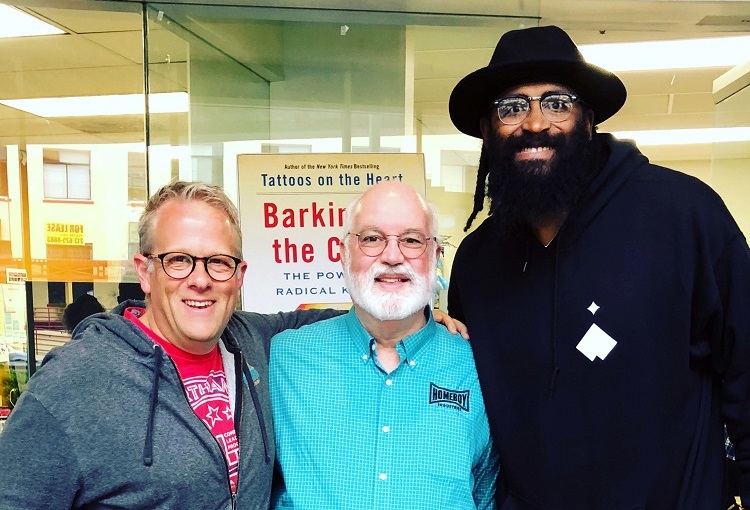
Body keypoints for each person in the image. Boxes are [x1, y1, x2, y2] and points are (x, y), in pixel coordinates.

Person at [0, 181, 465, 510]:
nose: (200, 280)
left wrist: (418, 311)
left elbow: (363, 312)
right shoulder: (72, 386)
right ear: (144, 271)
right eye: (178, 260)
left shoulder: (255, 344)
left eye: (219, 263)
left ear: (239, 277)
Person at [447, 25, 750, 509]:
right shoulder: (478, 261)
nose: (534, 123)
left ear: (588, 120)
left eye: (557, 103)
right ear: (487, 130)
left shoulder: (684, 215)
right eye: (511, 107)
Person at [270, 181, 499, 509]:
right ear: (343, 253)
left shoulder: (478, 369)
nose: (393, 256)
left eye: (411, 240)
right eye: (372, 239)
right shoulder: (284, 358)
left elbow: (488, 492)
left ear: (435, 256)